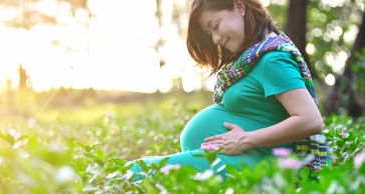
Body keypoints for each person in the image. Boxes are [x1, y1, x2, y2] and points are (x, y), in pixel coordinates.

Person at [128, 0, 330, 180]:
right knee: (139, 171)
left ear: (239, 6)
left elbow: (310, 120)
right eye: (210, 33)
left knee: (137, 171)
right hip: (241, 160)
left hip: (258, 166)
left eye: (215, 26)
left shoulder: (273, 60)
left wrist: (246, 139)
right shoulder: (254, 58)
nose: (215, 39)